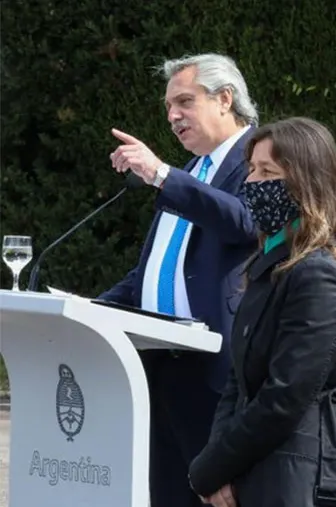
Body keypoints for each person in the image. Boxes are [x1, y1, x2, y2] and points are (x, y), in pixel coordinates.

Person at [186, 117, 336, 507]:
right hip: (263, 471)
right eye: (252, 169)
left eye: (267, 171)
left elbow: (286, 396)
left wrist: (212, 468)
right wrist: (217, 467)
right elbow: (239, 383)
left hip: (304, 479)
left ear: (306, 182)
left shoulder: (318, 272)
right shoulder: (271, 266)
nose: (252, 182)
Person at [98, 53, 260, 507]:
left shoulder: (261, 159)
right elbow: (154, 272)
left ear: (225, 99)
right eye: (168, 106)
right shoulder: (190, 175)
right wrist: (83, 310)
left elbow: (247, 223)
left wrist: (160, 173)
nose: (172, 116)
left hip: (218, 376)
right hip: (161, 372)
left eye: (184, 102)